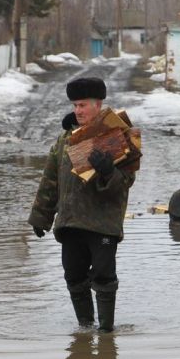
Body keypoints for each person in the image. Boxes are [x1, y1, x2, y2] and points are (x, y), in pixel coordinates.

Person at [28, 77, 135, 332]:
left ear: (98, 105)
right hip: (70, 223)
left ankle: (107, 332)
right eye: (75, 105)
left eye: (83, 105)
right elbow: (51, 179)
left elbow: (126, 182)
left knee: (104, 277)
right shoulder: (65, 139)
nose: (78, 110)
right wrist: (40, 217)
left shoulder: (117, 136)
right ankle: (85, 329)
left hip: (103, 225)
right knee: (74, 277)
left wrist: (109, 171)